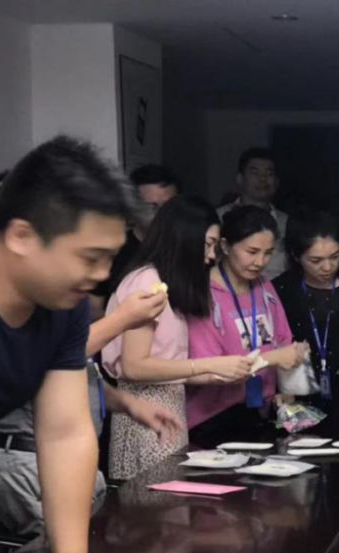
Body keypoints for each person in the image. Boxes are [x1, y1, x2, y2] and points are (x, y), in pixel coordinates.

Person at [0, 135, 175, 553]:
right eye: (90, 257)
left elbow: (65, 432)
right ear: (21, 236)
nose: (103, 275)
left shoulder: (62, 312)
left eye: (110, 258)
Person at [0, 290, 181, 536]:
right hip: (28, 460)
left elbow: (76, 375)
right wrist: (122, 319)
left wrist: (129, 404)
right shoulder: (28, 310)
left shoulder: (65, 320)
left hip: (64, 462)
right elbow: (54, 356)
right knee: (59, 552)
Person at [103, 195, 254, 479]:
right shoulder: (147, 282)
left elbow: (165, 365)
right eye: (208, 244)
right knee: (152, 501)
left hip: (168, 408)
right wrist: (208, 365)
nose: (212, 256)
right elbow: (134, 366)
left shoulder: (167, 283)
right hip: (145, 413)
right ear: (185, 238)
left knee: (170, 501)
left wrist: (214, 375)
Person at [187, 206, 309, 444]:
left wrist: (286, 387)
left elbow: (284, 342)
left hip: (262, 412)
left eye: (268, 253)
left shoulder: (264, 287)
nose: (260, 262)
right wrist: (273, 358)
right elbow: (212, 369)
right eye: (251, 252)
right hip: (214, 419)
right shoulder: (203, 294)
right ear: (225, 246)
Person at [274, 212, 339, 439]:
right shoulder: (281, 289)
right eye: (316, 260)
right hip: (296, 394)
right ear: (296, 255)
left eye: (335, 256)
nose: (327, 267)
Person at [91, 163, 180, 315]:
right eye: (152, 206)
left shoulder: (184, 248)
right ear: (134, 207)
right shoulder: (114, 250)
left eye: (168, 206)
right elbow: (94, 307)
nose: (161, 214)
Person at [216, 148, 289, 281]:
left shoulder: (287, 223)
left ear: (277, 181)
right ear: (240, 179)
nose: (262, 179)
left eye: (269, 174)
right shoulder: (218, 218)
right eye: (255, 173)